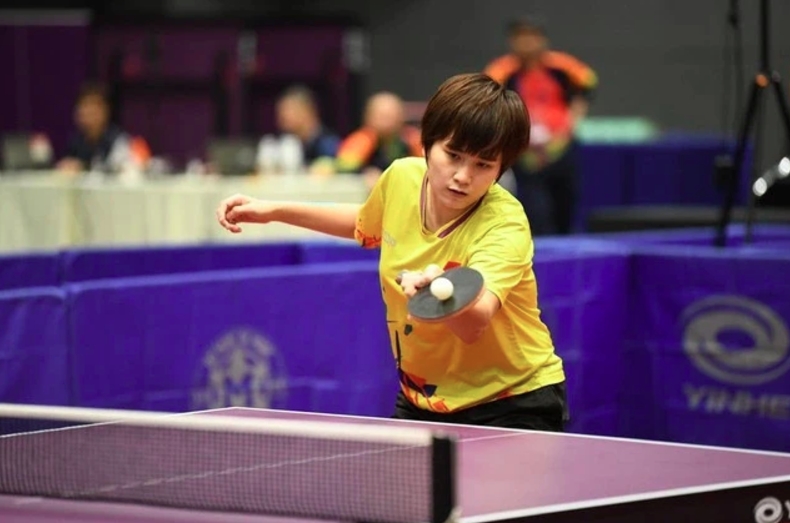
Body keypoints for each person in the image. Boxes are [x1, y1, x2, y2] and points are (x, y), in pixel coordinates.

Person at [216, 73, 568, 431]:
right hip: (423, 398)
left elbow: (475, 321)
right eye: (453, 155)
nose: (462, 175)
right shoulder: (401, 177)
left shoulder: (504, 223)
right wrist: (274, 210)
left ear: (500, 170)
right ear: (427, 144)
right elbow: (365, 224)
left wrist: (439, 297)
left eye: (483, 164)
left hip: (512, 402)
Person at [485, 16, 597, 235]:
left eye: (532, 36)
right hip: (525, 154)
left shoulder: (562, 66)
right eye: (521, 37)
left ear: (542, 39)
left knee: (566, 207)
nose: (527, 42)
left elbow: (589, 83)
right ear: (512, 41)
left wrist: (573, 119)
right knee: (537, 213)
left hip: (561, 148)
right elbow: (487, 101)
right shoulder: (500, 71)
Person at [334, 91, 423, 190]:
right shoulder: (361, 140)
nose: (387, 121)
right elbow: (344, 168)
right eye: (382, 115)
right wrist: (364, 173)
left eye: (391, 115)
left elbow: (428, 168)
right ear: (368, 117)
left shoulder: (412, 139)